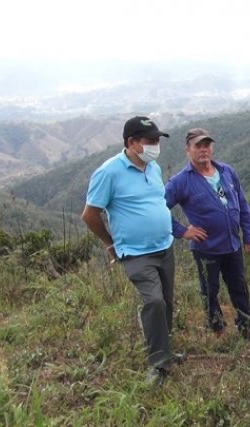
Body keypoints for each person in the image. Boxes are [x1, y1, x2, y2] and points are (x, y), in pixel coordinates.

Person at [82, 116, 180, 385]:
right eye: (150, 141)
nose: (156, 145)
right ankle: (158, 364)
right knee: (154, 301)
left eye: (158, 140)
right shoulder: (109, 172)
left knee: (167, 303)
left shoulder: (154, 167)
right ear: (132, 143)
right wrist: (110, 243)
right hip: (135, 253)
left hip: (164, 246)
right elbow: (90, 215)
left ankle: (165, 349)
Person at [165, 128, 250, 341]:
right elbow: (159, 209)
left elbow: (242, 203)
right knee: (210, 291)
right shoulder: (181, 181)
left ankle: (247, 327)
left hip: (233, 244)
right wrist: (183, 231)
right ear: (188, 150)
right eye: (198, 146)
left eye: (207, 145)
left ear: (212, 147)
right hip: (206, 248)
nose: (203, 150)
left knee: (239, 286)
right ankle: (217, 329)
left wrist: (249, 234)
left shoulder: (227, 171)